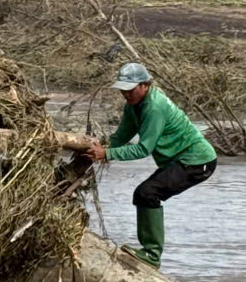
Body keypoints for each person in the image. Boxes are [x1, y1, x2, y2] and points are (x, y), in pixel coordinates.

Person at [83, 62, 216, 268]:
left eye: (130, 90)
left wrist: (106, 153)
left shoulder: (154, 107)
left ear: (145, 85)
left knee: (147, 193)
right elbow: (123, 135)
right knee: (144, 194)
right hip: (178, 160)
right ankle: (150, 252)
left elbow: (143, 149)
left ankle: (152, 255)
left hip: (197, 161)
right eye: (122, 90)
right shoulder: (133, 106)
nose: (125, 94)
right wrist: (103, 147)